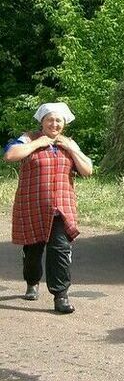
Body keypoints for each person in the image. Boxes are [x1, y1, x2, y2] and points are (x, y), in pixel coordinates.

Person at [3, 102, 93, 314]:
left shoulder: (69, 143)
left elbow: (87, 170)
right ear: (42, 122)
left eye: (58, 120)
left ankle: (60, 295)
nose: (54, 124)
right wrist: (39, 143)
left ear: (64, 124)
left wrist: (71, 148)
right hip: (33, 204)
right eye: (50, 120)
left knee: (60, 249)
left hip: (61, 206)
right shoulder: (29, 138)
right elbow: (10, 155)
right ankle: (32, 281)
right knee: (33, 250)